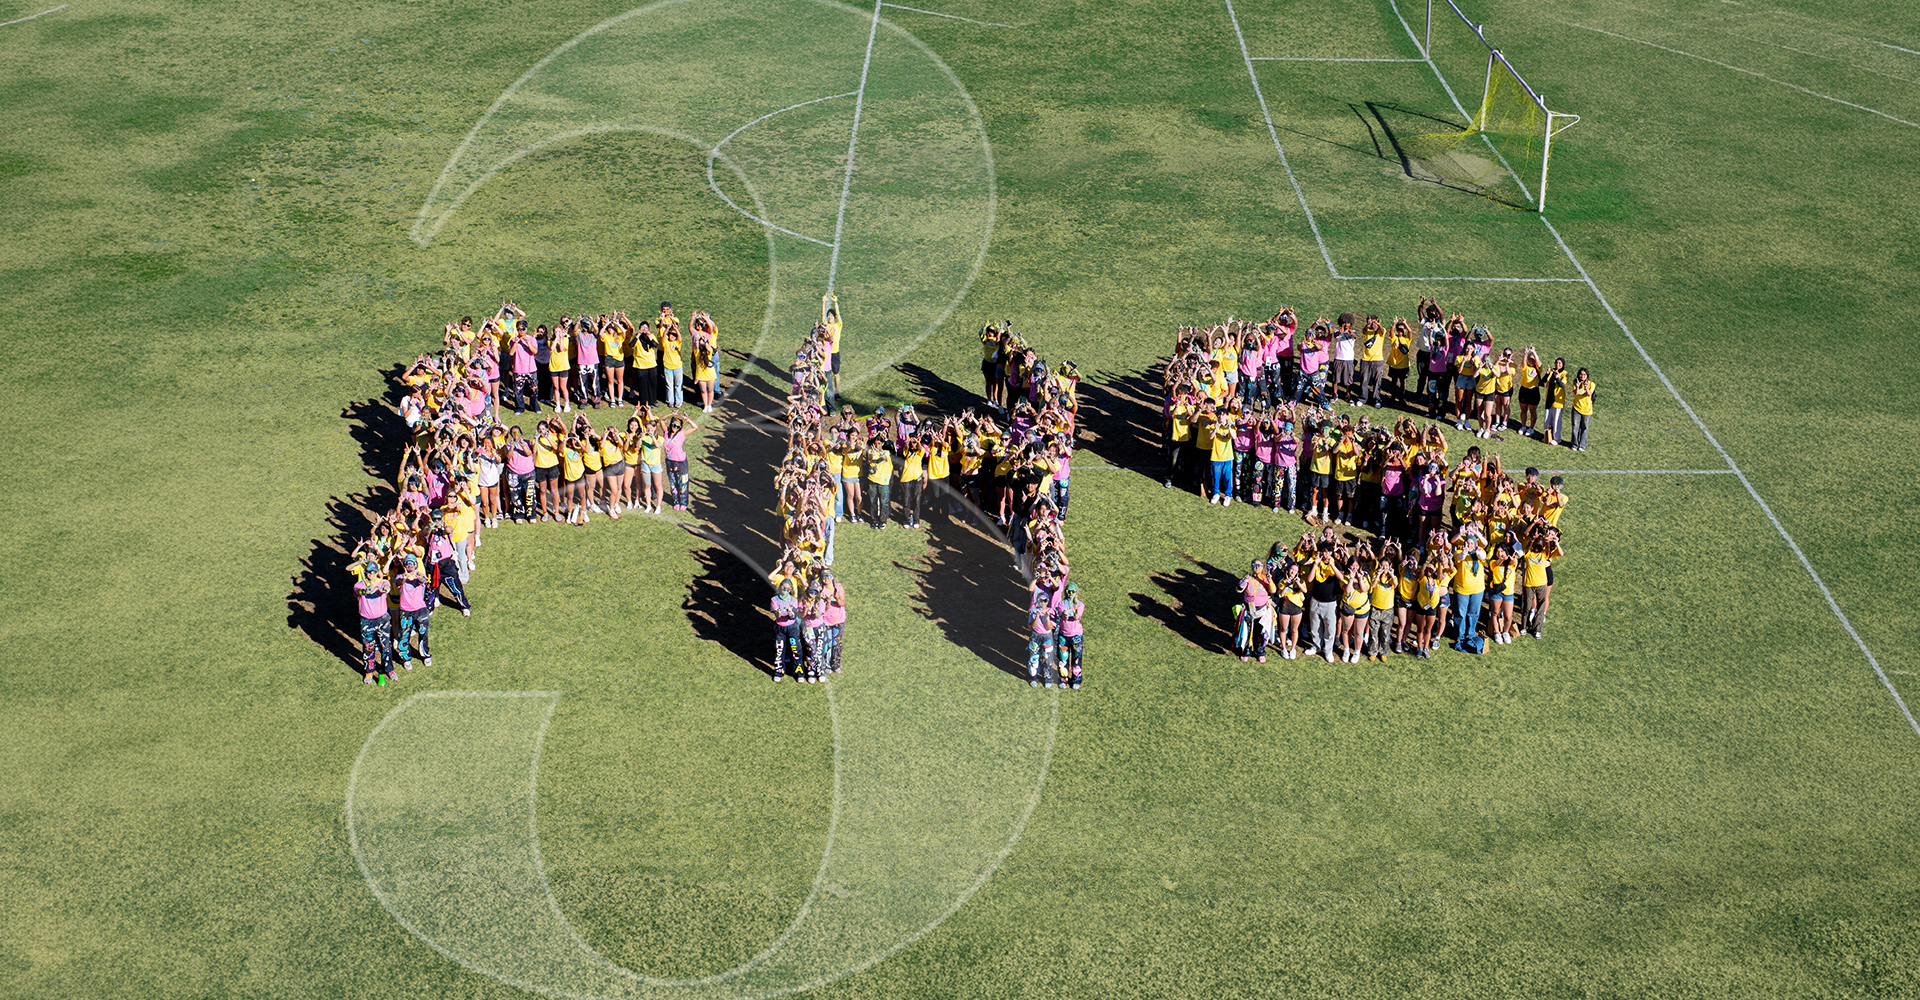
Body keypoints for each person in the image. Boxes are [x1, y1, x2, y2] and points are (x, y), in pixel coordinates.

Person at [353, 558, 394, 685]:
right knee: (368, 647)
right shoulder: (360, 584)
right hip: (366, 621)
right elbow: (357, 591)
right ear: (366, 572)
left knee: (385, 646)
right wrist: (366, 591)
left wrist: (383, 590)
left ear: (377, 572)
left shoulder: (383, 582)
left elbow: (386, 587)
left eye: (374, 572)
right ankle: (369, 671)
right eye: (369, 572)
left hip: (382, 619)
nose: (371, 574)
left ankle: (389, 669)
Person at [393, 553, 431, 671]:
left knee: (423, 632)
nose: (410, 566)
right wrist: (405, 578)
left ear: (415, 564)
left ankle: (425, 655)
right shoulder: (400, 576)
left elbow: (422, 580)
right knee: (404, 634)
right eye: (408, 564)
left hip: (420, 609)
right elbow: (399, 582)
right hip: (406, 610)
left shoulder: (420, 575)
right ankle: (406, 658)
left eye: (412, 563)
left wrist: (419, 576)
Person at [771, 581, 802, 681]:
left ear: (791, 590)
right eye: (783, 588)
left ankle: (799, 672)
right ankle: (779, 672)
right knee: (779, 650)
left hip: (792, 627)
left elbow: (793, 616)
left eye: (787, 589)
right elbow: (776, 615)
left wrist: (790, 614)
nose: (785, 590)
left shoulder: (793, 600)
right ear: (780, 587)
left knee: (795, 649)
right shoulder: (774, 599)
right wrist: (778, 613)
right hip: (779, 628)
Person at [1055, 583, 1084, 688]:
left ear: (1076, 592)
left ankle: (1076, 680)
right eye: (1068, 591)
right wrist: (1068, 612)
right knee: (1063, 659)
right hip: (1063, 635)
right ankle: (1063, 679)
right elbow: (1064, 616)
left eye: (1073, 591)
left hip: (1076, 636)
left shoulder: (1080, 605)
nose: (1070, 594)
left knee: (1076, 659)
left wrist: (1074, 614)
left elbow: (1077, 617)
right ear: (1065, 592)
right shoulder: (1061, 604)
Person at [1569, 367, 1596, 451]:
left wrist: (1586, 387)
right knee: (1575, 427)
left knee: (1584, 428)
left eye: (1584, 374)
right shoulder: (1575, 382)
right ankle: (1574, 444)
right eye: (1581, 374)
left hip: (1587, 411)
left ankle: (1582, 445)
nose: (1582, 376)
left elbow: (1589, 394)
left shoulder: (1591, 384)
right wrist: (1577, 387)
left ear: (1587, 376)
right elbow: (1576, 393)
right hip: (1577, 408)